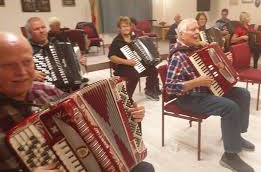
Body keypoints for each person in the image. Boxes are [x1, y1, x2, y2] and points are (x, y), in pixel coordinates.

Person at [0, 32, 154, 172]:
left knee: (143, 168)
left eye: (27, 62)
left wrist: (129, 117)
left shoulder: (46, 92)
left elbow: (90, 124)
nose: (21, 72)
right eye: (8, 65)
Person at [166, 19, 255, 172]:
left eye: (197, 29)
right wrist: (196, 82)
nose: (197, 32)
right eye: (192, 30)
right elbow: (170, 87)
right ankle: (230, 156)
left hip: (205, 90)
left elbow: (210, 69)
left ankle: (237, 137)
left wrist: (223, 62)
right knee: (230, 107)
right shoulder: (177, 56)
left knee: (243, 94)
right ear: (181, 34)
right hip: (189, 98)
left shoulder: (196, 48)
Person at [25, 17, 88, 88]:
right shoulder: (27, 50)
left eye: (43, 27)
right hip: (49, 92)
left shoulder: (57, 42)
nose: (41, 31)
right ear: (29, 33)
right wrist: (30, 74)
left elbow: (76, 63)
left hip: (73, 86)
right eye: (36, 29)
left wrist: (81, 63)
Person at [108, 16, 161, 101]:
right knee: (135, 75)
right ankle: (127, 99)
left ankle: (149, 90)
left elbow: (141, 49)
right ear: (119, 28)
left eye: (128, 26)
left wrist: (152, 50)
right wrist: (127, 62)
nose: (127, 28)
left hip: (137, 64)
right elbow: (111, 57)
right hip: (123, 66)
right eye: (124, 26)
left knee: (153, 69)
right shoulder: (117, 41)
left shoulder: (134, 37)